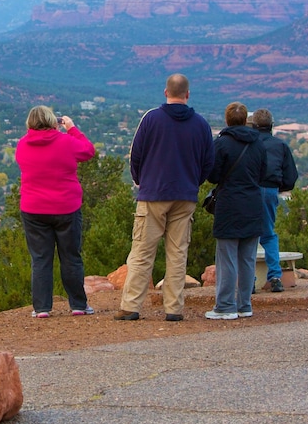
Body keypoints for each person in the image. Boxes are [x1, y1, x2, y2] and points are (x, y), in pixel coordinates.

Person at [115, 74, 214, 322]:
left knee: (142, 251)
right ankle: (173, 308)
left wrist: (141, 181)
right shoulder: (201, 124)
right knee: (178, 253)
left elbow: (136, 155)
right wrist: (194, 182)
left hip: (153, 194)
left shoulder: (151, 119)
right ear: (187, 94)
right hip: (185, 195)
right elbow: (208, 163)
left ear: (165, 92)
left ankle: (131, 306)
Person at [15, 105, 97, 317]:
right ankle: (78, 305)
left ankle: (42, 308)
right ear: (54, 121)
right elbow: (88, 150)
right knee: (71, 257)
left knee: (41, 259)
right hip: (66, 207)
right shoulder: (67, 142)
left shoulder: (22, 145)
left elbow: (32, 148)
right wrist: (71, 128)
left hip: (33, 209)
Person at [206, 102, 267, 320]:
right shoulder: (258, 145)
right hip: (252, 203)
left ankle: (225, 305)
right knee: (247, 258)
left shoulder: (221, 144)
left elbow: (213, 175)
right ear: (245, 120)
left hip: (229, 204)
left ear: (227, 119)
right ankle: (244, 304)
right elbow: (263, 174)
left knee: (227, 258)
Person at [250, 108, 298, 293]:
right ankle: (275, 277)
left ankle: (250, 280)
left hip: (250, 190)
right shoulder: (280, 146)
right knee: (268, 234)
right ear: (271, 125)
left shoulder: (250, 144)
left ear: (253, 125)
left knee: (250, 235)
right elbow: (291, 176)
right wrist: (278, 188)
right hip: (270, 189)